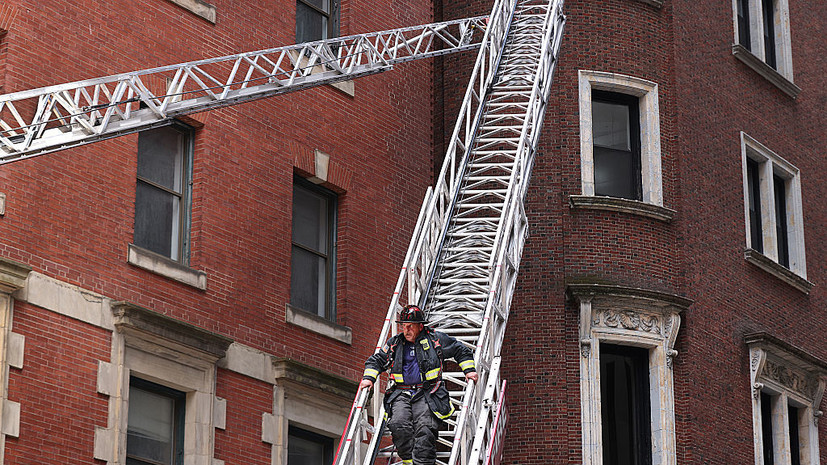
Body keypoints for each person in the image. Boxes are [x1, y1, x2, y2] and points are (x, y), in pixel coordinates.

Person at [359, 305, 478, 465]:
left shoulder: (436, 340)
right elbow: (377, 360)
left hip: (428, 393)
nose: (406, 330)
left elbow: (460, 350)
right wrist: (369, 378)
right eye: (403, 326)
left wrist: (469, 370)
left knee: (425, 428)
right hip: (401, 393)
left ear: (420, 326)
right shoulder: (395, 343)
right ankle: (409, 461)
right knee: (398, 425)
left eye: (410, 326)